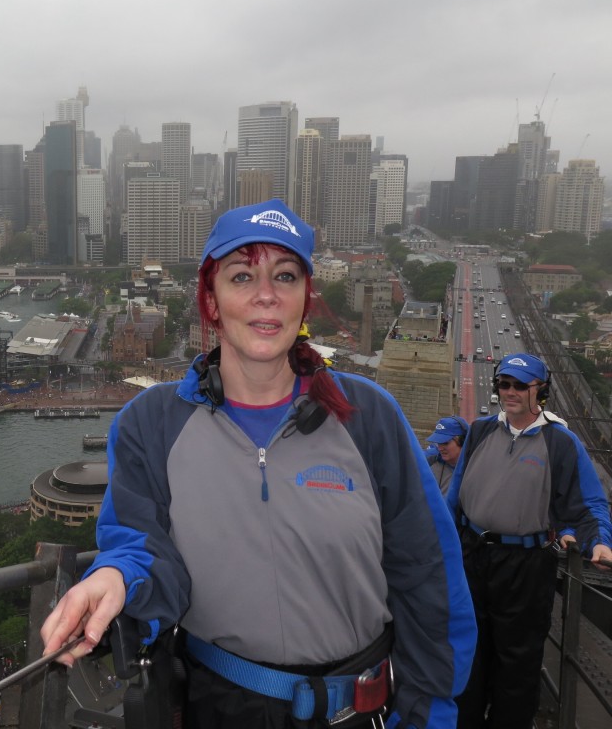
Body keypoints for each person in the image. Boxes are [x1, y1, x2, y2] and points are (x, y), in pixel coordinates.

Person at [41, 199, 476, 729]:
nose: (266, 294)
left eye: (285, 275)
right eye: (242, 275)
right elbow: (143, 548)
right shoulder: (150, 425)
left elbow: (428, 575)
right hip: (221, 708)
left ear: (304, 299)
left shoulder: (370, 418)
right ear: (211, 299)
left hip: (364, 711)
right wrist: (114, 576)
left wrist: (433, 713)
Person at [446, 352, 612, 729]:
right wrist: (441, 538)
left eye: (521, 385)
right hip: (474, 555)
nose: (510, 392)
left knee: (517, 663)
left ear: (541, 391)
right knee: (469, 652)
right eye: (504, 384)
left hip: (525, 566)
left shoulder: (561, 443)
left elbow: (589, 503)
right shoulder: (481, 431)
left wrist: (599, 541)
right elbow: (455, 496)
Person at [424, 416, 469, 495]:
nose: (440, 448)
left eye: (445, 443)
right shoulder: (430, 461)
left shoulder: (475, 467)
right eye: (438, 443)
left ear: (462, 441)